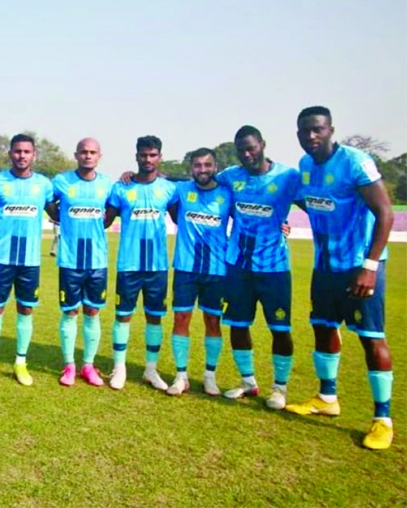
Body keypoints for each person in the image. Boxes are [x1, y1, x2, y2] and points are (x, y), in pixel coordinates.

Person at [285, 106, 395, 450]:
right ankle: (326, 398)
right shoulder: (305, 167)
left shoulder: (355, 162)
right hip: (325, 267)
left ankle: (383, 419)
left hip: (358, 266)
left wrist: (370, 266)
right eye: (304, 131)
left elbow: (385, 213)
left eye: (317, 129)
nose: (311, 136)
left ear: (331, 129)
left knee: (370, 337)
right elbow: (315, 202)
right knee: (322, 326)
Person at [219, 125, 303, 410]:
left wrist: (285, 224)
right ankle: (248, 382)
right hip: (238, 267)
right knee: (238, 325)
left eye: (251, 147)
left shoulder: (287, 177)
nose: (246, 154)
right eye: (241, 149)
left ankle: (279, 388)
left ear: (263, 145)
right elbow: (200, 180)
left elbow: (313, 202)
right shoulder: (231, 176)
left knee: (279, 328)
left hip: (274, 268)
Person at [0, 134, 54, 386]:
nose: (22, 156)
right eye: (17, 151)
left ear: (34, 155)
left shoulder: (44, 185)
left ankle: (21, 363)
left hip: (30, 260)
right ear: (10, 153)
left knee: (26, 308)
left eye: (27, 152)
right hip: (2, 258)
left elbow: (56, 211)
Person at [105, 136, 178, 391]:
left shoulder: (169, 189)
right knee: (122, 316)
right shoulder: (121, 188)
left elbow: (185, 219)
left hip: (157, 266)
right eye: (143, 155)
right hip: (129, 264)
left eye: (153, 155)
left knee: (154, 318)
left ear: (159, 156)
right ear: (136, 156)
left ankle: (151, 369)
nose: (148, 159)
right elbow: (104, 220)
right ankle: (119, 368)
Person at [163, 148, 232, 396]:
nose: (202, 169)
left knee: (213, 321)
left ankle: (209, 376)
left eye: (207, 165)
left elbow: (246, 217)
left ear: (215, 166)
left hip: (216, 269)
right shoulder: (181, 190)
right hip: (185, 268)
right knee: (181, 319)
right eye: (198, 165)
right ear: (191, 168)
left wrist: (281, 224)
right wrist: (128, 174)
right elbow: (157, 184)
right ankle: (181, 376)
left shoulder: (227, 193)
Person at [49, 138, 113, 387]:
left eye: (92, 152)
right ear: (76, 155)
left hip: (97, 260)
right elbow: (49, 205)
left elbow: (111, 214)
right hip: (69, 260)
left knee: (93, 311)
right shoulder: (62, 181)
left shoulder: (108, 184)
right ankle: (69, 366)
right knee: (69, 311)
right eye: (84, 152)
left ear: (99, 155)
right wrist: (61, 218)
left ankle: (88, 365)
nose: (88, 156)